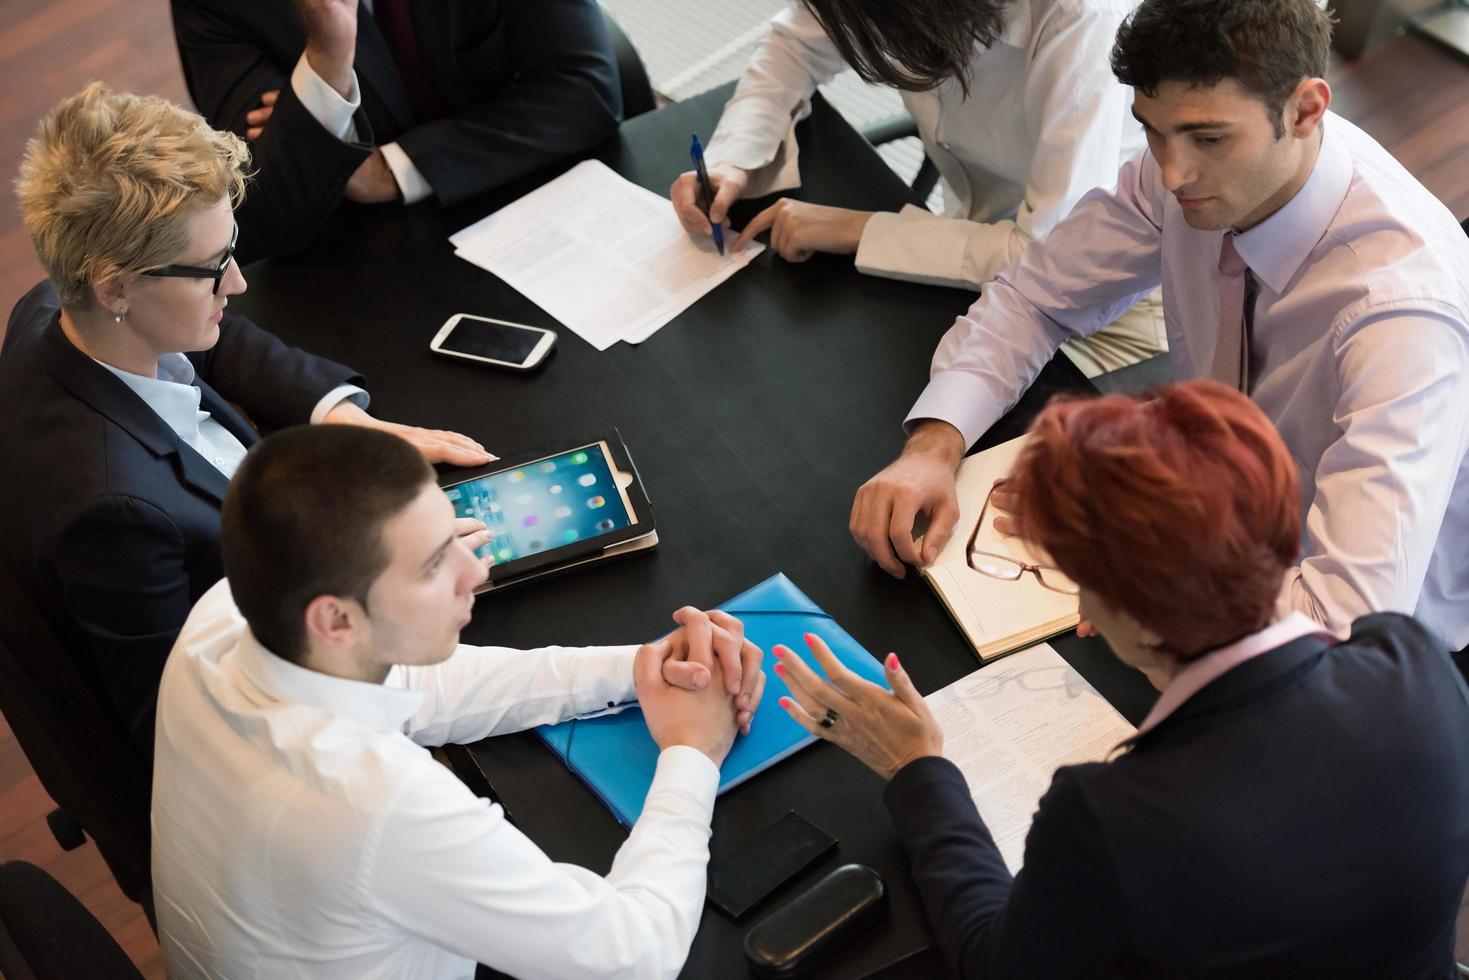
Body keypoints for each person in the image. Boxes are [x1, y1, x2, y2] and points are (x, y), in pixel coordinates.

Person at [786, 382, 1469, 975]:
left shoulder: (1110, 816)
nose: (1077, 603)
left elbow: (997, 962)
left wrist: (916, 771)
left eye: (1072, 579)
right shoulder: (1414, 663)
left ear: (1144, 628)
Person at [851, 0, 1469, 654]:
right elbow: (1035, 294)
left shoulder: (1399, 316)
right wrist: (934, 445)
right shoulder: (1185, 162)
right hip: (1215, 528)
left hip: (1342, 643)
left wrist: (1140, 567)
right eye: (1150, 131)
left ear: (1305, 110)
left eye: (1207, 139)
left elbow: (1343, 621)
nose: (1172, 174)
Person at [151, 424, 766, 978]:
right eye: (433, 565)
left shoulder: (227, 613)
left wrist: (639, 669)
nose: (475, 574)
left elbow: (418, 686)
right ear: (336, 619)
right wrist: (692, 751)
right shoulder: (379, 806)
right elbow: (634, 954)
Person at [0, 83, 492, 755]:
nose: (237, 283)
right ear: (116, 285)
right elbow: (182, 726)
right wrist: (371, 598)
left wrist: (343, 418)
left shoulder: (60, 308)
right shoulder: (112, 515)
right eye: (212, 269)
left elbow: (219, 334)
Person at [669, 0, 1165, 378]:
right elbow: (797, 43)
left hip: (1107, 305)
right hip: (971, 247)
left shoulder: (1080, 17)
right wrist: (733, 157)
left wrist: (857, 229)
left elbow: (1047, 256)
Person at [171, 0, 623, 261]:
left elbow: (586, 93)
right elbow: (261, 212)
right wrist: (328, 58)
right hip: (354, 260)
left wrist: (390, 167)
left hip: (528, 204)